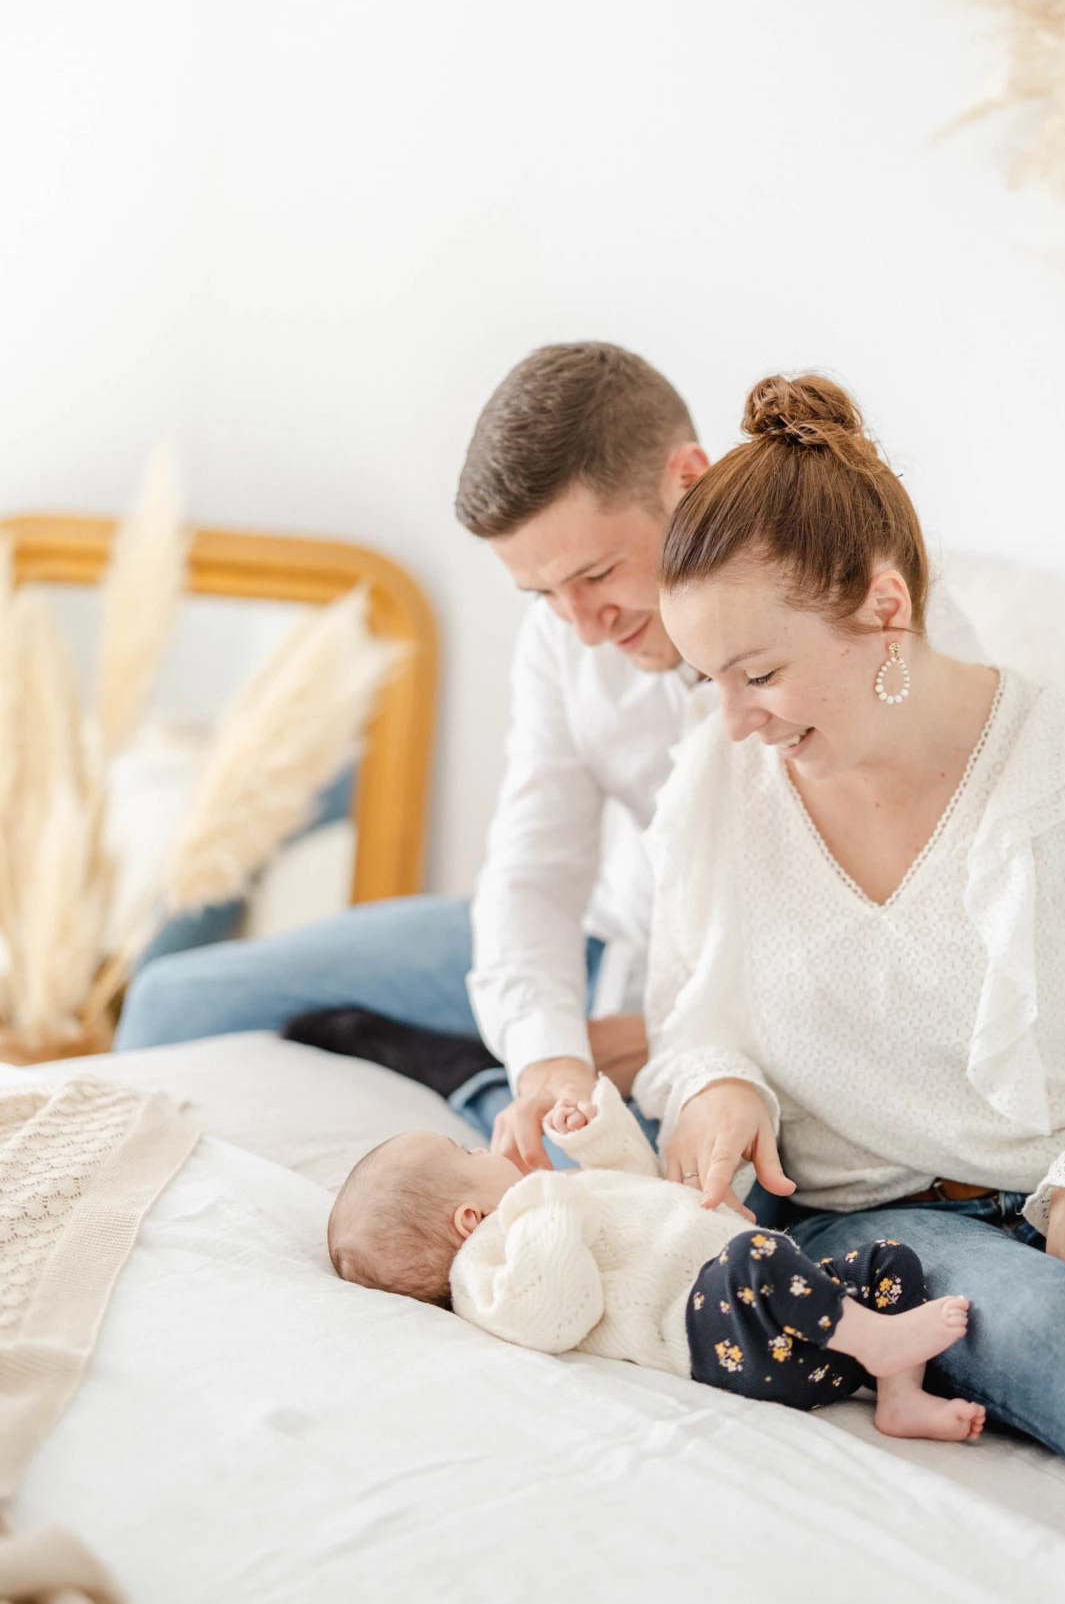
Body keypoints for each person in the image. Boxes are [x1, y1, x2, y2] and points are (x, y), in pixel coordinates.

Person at [115, 344, 979, 1180]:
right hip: (602, 944)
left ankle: (458, 1067)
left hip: (717, 1004)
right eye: (543, 593)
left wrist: (661, 1032)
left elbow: (906, 930)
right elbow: (534, 871)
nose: (581, 623)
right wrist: (550, 1060)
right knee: (170, 1002)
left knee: (596, 1180)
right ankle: (486, 1064)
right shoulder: (563, 640)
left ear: (687, 476)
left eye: (597, 573)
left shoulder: (842, 620)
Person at [628, 368, 1065, 1545]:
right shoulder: (721, 784)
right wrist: (720, 1083)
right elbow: (685, 1023)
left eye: (762, 673)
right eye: (707, 680)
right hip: (883, 1219)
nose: (734, 720)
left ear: (885, 608)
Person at [327, 1075, 986, 1444]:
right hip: (717, 1339)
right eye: (467, 1156)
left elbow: (640, 1186)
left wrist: (587, 1135)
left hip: (789, 1324)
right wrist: (550, 1199)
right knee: (754, 1257)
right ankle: (874, 1341)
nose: (484, 1152)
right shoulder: (491, 1264)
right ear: (467, 1220)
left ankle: (901, 1397)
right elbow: (558, 1314)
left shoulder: (547, 1202)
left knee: (890, 1262)